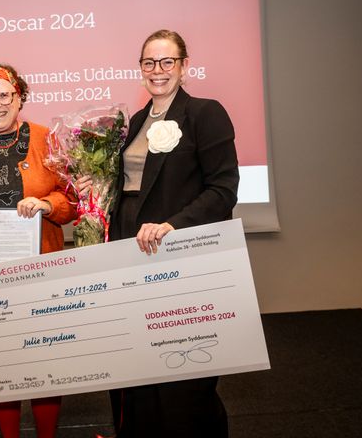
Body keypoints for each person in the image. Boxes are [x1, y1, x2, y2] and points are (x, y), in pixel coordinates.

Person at [105, 29, 239, 436]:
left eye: (167, 61)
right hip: (130, 251)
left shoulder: (205, 112)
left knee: (184, 374)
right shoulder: (133, 122)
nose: (157, 70)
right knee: (138, 365)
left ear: (184, 66)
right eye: (149, 62)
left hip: (178, 254)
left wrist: (173, 226)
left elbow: (224, 189)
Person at [0, 63, 77, 438]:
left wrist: (47, 204)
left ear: (19, 96)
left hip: (38, 272)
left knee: (44, 362)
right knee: (0, 366)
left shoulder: (47, 140)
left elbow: (71, 202)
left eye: (4, 94)